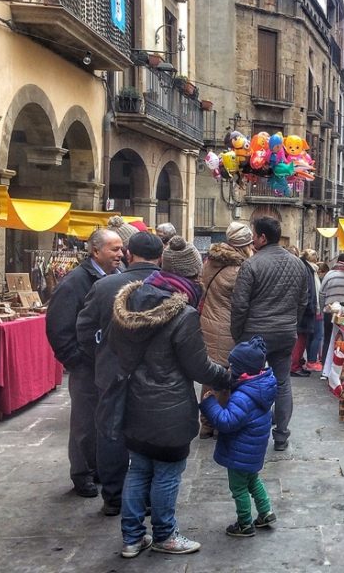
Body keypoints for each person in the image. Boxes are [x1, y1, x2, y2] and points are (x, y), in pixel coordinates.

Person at [109, 236, 234, 558]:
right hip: (169, 405)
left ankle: (132, 538)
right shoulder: (183, 314)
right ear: (190, 274)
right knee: (167, 472)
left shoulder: (129, 302)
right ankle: (164, 535)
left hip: (134, 400)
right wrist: (227, 377)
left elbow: (116, 349)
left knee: (138, 469)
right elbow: (198, 367)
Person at [76, 232, 164, 516]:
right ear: (160, 256)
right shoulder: (168, 286)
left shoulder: (104, 286)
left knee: (111, 432)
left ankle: (113, 497)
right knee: (151, 432)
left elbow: (85, 329)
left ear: (129, 254)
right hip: (157, 373)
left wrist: (101, 354)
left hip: (112, 370)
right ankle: (147, 496)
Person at [46, 228, 123, 499]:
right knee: (84, 422)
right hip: (86, 365)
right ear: (96, 251)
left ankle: (99, 466)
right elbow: (58, 327)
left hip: (108, 364)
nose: (120, 254)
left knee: (104, 419)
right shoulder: (75, 282)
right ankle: (82, 474)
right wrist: (76, 360)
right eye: (114, 249)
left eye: (121, 248)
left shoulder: (117, 275)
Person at [230, 216, 308, 452]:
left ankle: (245, 432)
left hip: (254, 333)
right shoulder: (298, 264)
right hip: (285, 333)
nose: (252, 240)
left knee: (245, 382)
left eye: (254, 235)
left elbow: (240, 305)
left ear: (262, 237)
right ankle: (281, 436)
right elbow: (303, 301)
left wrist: (237, 333)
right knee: (282, 383)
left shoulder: (251, 265)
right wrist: (292, 324)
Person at [200, 336, 278, 538]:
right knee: (253, 481)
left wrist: (209, 404)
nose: (229, 369)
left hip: (239, 452)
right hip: (253, 449)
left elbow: (226, 422)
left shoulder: (243, 397)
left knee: (239, 488)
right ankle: (266, 512)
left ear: (243, 371)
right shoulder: (260, 387)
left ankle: (244, 524)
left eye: (232, 365)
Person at [199, 221, 255, 439]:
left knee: (209, 374)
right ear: (244, 245)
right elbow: (242, 303)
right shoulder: (239, 270)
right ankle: (219, 423)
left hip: (207, 323)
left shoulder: (209, 262)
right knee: (225, 376)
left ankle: (205, 424)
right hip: (227, 326)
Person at [290, 249, 323, 376]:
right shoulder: (307, 269)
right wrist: (310, 308)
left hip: (305, 309)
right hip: (306, 311)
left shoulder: (308, 268)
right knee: (300, 339)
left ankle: (296, 363)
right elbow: (308, 291)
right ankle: (294, 366)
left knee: (301, 338)